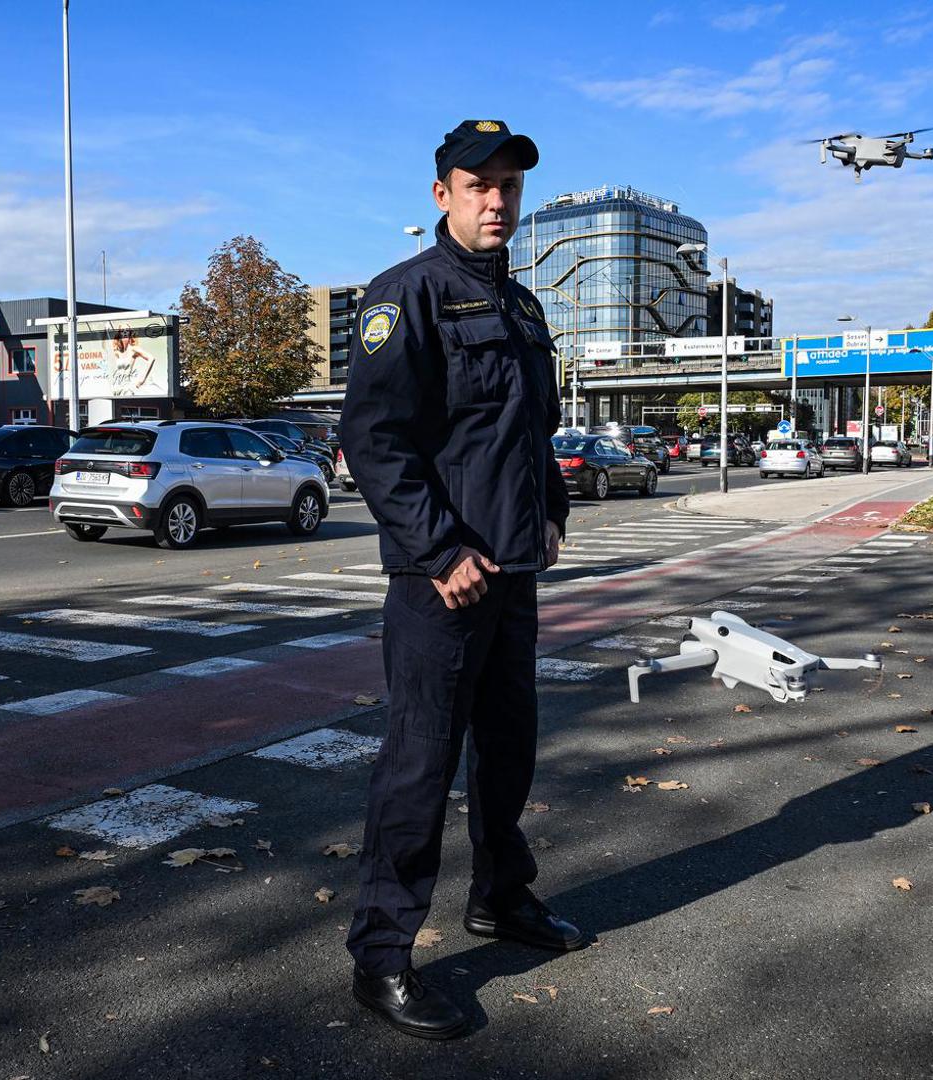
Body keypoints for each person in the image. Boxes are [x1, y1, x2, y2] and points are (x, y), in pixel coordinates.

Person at [340, 120, 582, 1041]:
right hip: (440, 583)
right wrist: (440, 552)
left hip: (512, 572)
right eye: (478, 186)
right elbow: (374, 439)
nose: (497, 202)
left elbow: (530, 436)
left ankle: (502, 898)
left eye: (509, 187)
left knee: (509, 750)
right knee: (419, 765)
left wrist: (552, 511)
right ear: (441, 194)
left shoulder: (522, 308)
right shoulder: (405, 298)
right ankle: (383, 955)